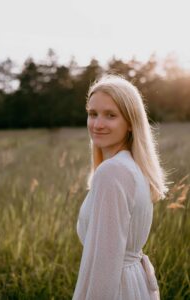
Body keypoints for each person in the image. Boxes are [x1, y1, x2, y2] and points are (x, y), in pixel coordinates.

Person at [72, 74, 168, 300]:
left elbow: (104, 266)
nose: (97, 124)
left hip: (117, 289)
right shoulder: (130, 168)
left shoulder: (113, 172)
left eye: (111, 115)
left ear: (130, 124)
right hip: (132, 283)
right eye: (92, 114)